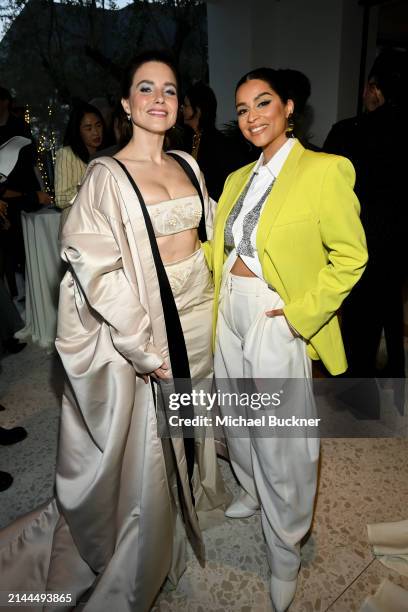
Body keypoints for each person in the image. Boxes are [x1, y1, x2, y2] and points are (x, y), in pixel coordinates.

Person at [0, 50, 230, 611]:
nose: (159, 99)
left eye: (170, 90)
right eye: (146, 89)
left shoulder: (190, 165)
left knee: (190, 413)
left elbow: (211, 237)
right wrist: (142, 348)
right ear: (127, 104)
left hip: (199, 314)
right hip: (149, 324)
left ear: (180, 104)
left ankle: (183, 509)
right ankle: (144, 547)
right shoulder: (107, 175)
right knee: (151, 441)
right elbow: (97, 271)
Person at [211, 67, 368, 611]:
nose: (252, 117)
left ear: (289, 107)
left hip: (275, 315)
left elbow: (352, 257)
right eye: (242, 109)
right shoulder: (235, 179)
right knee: (237, 416)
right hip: (226, 313)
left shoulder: (324, 170)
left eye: (263, 103)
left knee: (282, 441)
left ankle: (285, 549)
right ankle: (252, 494)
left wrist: (298, 315)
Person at [324, 50, 408, 381]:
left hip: (359, 240)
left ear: (374, 89)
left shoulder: (350, 131)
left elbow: (326, 193)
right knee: (388, 305)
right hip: (399, 243)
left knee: (360, 323)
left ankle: (357, 396)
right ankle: (392, 373)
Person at [182, 81, 241, 200]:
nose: (181, 108)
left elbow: (227, 185)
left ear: (197, 110)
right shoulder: (186, 140)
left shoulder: (219, 144)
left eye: (186, 105)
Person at [54, 102, 106, 227]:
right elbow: (60, 199)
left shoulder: (109, 153)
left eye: (98, 126)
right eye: (88, 128)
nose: (95, 132)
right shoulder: (67, 154)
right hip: (78, 228)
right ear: (78, 131)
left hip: (104, 227)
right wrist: (88, 187)